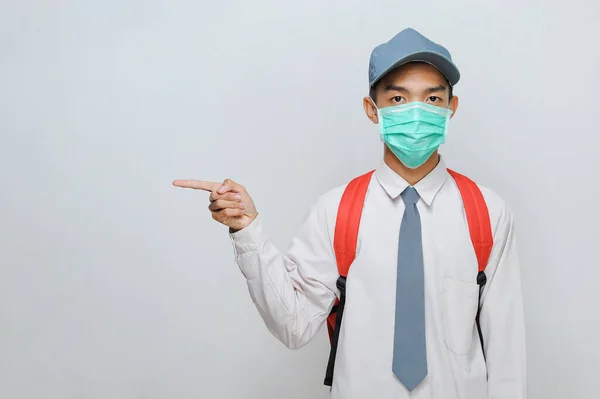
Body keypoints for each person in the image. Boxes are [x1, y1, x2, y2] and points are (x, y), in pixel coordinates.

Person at [173, 28, 526, 399]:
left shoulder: (487, 211)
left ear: (451, 108)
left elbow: (506, 354)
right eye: (398, 98)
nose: (417, 111)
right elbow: (293, 325)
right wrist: (248, 232)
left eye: (433, 97)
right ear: (373, 110)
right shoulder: (336, 210)